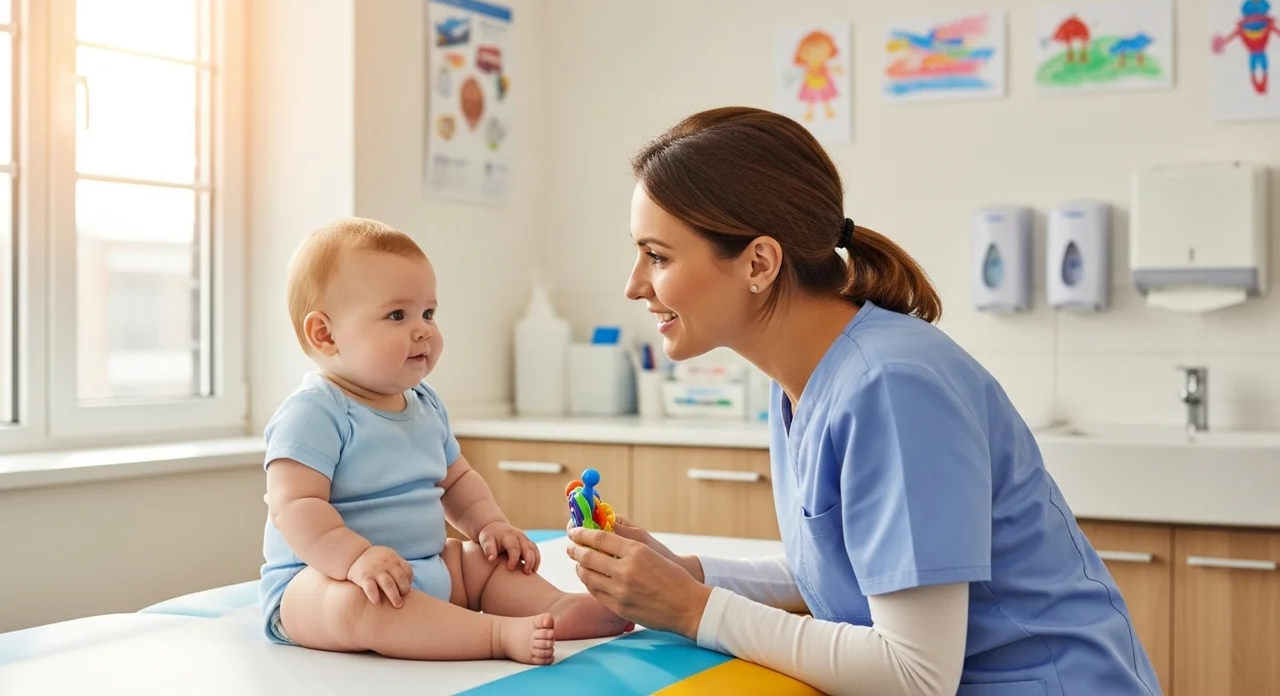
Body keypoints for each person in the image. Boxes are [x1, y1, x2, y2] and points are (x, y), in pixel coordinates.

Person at [564, 107, 1161, 696]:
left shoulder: (891, 385)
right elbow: (845, 578)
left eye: (658, 256)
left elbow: (914, 675)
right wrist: (686, 576)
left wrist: (696, 610)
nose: (634, 284)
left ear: (759, 262)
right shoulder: (802, 378)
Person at [259, 218, 631, 664]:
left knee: (489, 564)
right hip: (324, 584)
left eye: (428, 314)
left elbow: (456, 481)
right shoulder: (314, 412)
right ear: (325, 333)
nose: (423, 331)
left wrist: (490, 526)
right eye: (398, 315)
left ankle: (555, 607)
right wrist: (355, 560)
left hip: (427, 567)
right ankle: (494, 635)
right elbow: (295, 508)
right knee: (358, 605)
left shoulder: (424, 403)